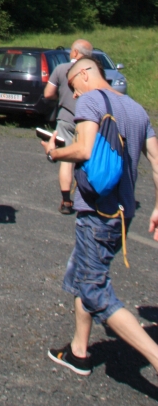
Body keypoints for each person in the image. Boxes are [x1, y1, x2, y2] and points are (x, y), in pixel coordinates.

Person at [43, 57, 158, 378]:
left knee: (94, 289)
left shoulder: (92, 99)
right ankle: (79, 352)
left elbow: (83, 150)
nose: (74, 94)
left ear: (84, 74)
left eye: (72, 86)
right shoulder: (137, 109)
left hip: (97, 212)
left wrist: (53, 152)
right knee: (83, 275)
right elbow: (157, 162)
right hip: (123, 213)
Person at [44, 38, 94, 214]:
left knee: (67, 160)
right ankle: (87, 198)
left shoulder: (61, 69)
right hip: (88, 121)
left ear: (74, 53)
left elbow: (48, 93)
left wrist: (62, 97)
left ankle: (66, 201)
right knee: (86, 158)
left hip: (66, 118)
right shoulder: (93, 72)